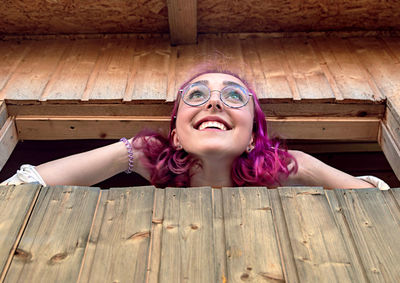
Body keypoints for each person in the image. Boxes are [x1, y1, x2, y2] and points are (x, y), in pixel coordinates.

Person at [0, 70, 390, 190]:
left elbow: (384, 207)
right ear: (175, 134)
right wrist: (128, 152)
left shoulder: (293, 169)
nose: (214, 102)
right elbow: (17, 194)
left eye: (235, 96)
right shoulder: (149, 162)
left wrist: (303, 166)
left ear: (254, 135)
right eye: (197, 94)